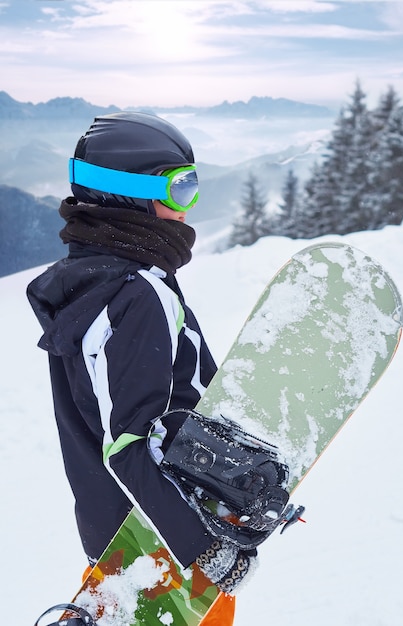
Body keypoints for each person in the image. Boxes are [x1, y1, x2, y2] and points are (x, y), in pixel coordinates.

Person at [27, 112, 256, 625]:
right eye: (179, 188)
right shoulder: (135, 294)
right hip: (164, 545)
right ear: (128, 193)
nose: (188, 208)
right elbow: (130, 444)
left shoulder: (92, 283)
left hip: (123, 540)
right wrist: (202, 549)